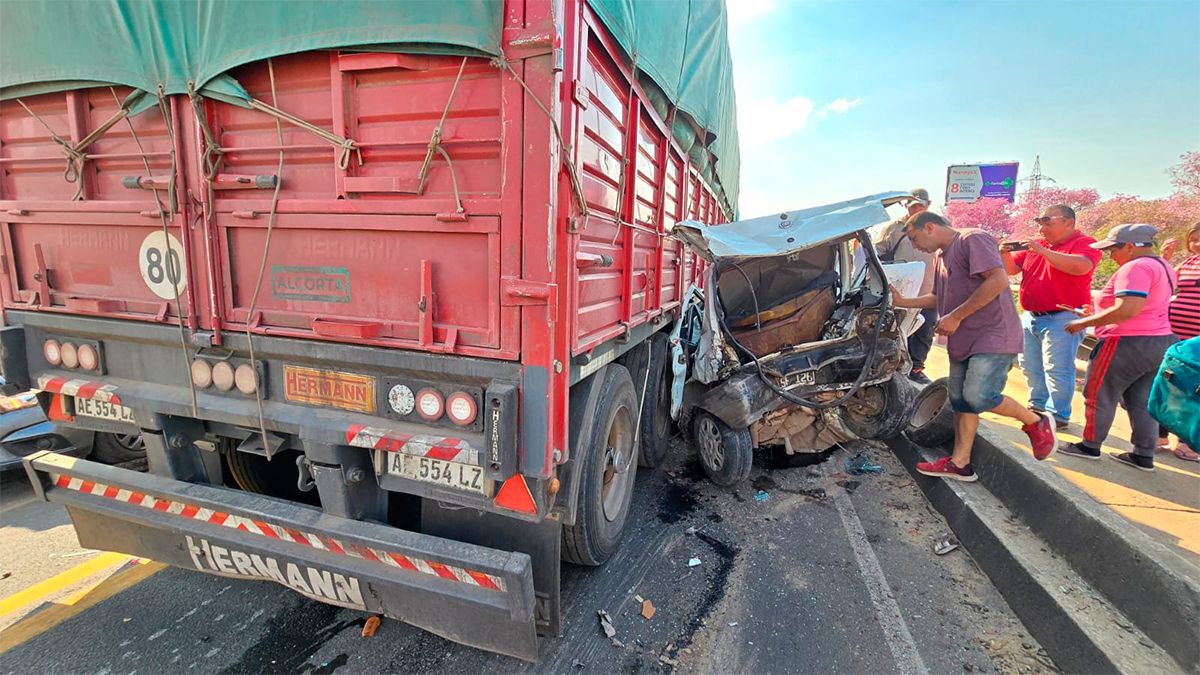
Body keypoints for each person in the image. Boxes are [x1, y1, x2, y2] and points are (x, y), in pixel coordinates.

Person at [892, 212, 1057, 481]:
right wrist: (902, 302)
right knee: (960, 401)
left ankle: (1036, 421)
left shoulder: (972, 239)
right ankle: (960, 464)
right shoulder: (941, 257)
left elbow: (998, 280)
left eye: (914, 238)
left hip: (992, 335)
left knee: (979, 396)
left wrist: (956, 316)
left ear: (930, 227)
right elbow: (938, 297)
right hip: (964, 338)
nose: (914, 245)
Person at [1059, 224, 1179, 471]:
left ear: (1130, 246)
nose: (1110, 255)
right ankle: (1143, 453)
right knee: (1142, 399)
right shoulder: (1162, 265)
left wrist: (1084, 323)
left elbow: (1128, 309)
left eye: (1113, 249)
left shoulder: (1135, 267)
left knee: (1099, 392)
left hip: (1126, 341)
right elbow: (1144, 305)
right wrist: (1097, 312)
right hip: (1160, 340)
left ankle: (1090, 445)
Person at [1001, 205, 1101, 430]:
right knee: (1030, 365)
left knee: (1057, 368)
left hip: (1062, 316)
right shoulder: (1037, 245)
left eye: (1048, 222)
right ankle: (1037, 406)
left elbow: (1081, 267)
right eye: (1040, 223)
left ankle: (1057, 414)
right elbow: (1011, 269)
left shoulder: (1084, 243)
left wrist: (1042, 251)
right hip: (1031, 316)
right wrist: (1004, 253)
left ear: (1068, 222)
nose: (1042, 228)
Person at [876, 188, 938, 384]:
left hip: (928, 291)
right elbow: (877, 253)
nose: (916, 209)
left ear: (928, 205)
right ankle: (892, 369)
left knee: (924, 332)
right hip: (900, 293)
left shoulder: (939, 227)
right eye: (913, 206)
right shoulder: (894, 228)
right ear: (905, 206)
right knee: (895, 331)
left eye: (921, 206)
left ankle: (916, 368)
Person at [1155, 221, 1200, 461]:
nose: (1197, 244)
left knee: (1193, 390)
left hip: (1196, 342)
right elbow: (1165, 284)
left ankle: (1187, 440)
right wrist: (1165, 258)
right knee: (1168, 382)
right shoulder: (1188, 263)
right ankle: (1160, 433)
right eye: (1193, 239)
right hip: (1175, 336)